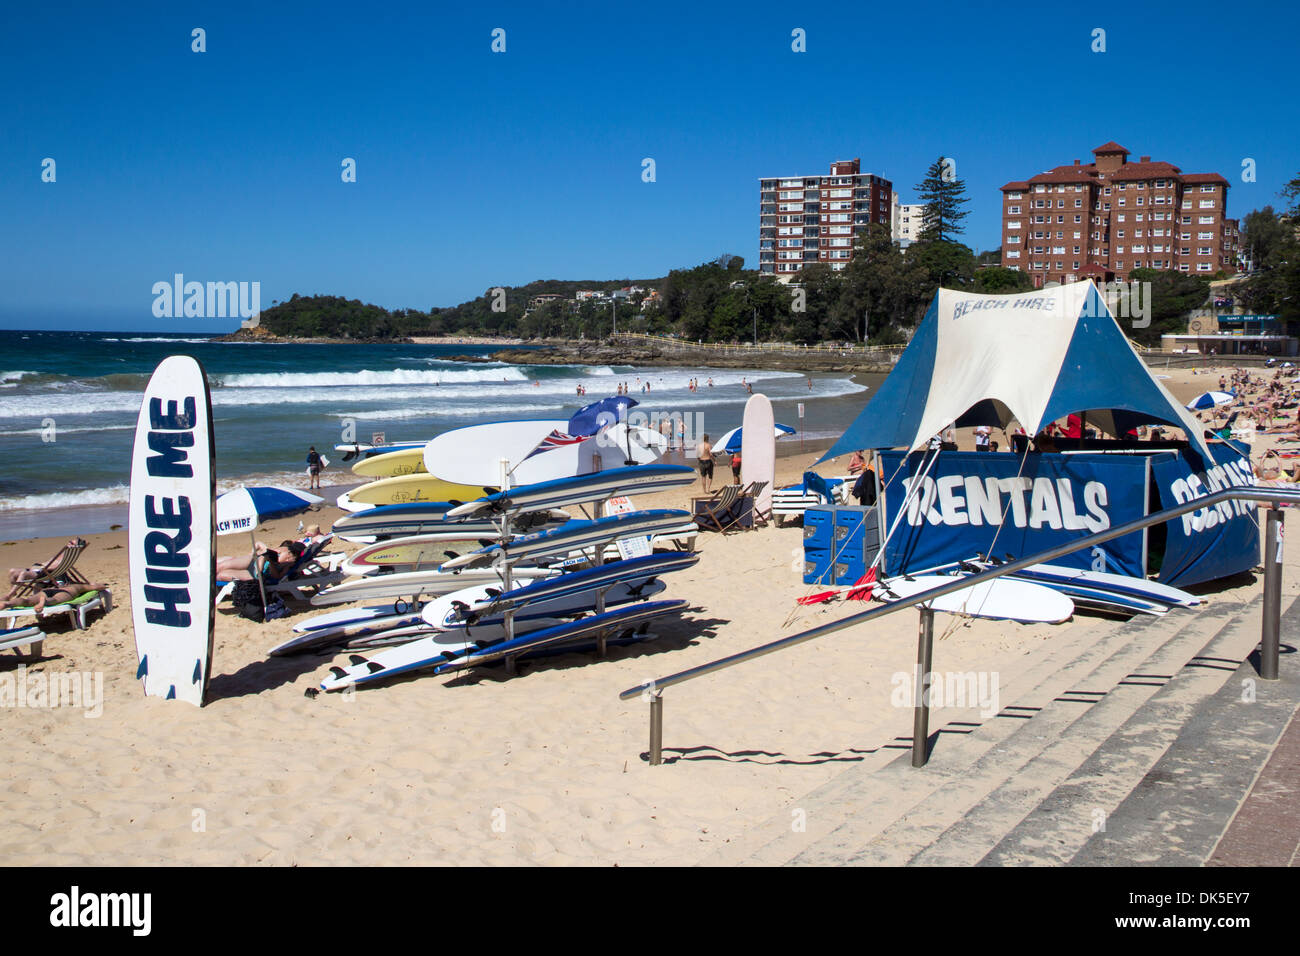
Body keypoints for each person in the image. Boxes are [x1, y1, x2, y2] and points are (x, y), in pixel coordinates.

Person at [0, 580, 108, 613]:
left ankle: (7, 603)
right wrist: (101, 585)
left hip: (48, 590)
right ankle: (43, 602)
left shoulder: (65, 585)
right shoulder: (79, 586)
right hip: (66, 594)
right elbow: (96, 588)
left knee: (27, 600)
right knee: (56, 600)